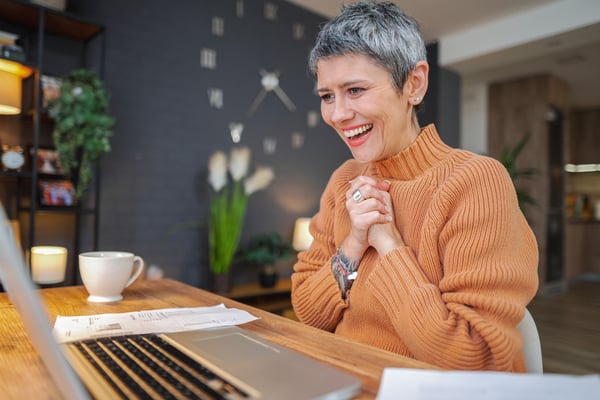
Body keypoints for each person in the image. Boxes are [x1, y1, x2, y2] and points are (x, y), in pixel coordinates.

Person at [291, 1, 539, 372]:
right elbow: (309, 313)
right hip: (346, 379)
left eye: (355, 90)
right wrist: (355, 243)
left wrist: (389, 246)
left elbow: (475, 355)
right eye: (327, 96)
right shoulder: (344, 180)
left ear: (414, 84)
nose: (338, 114)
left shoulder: (474, 181)